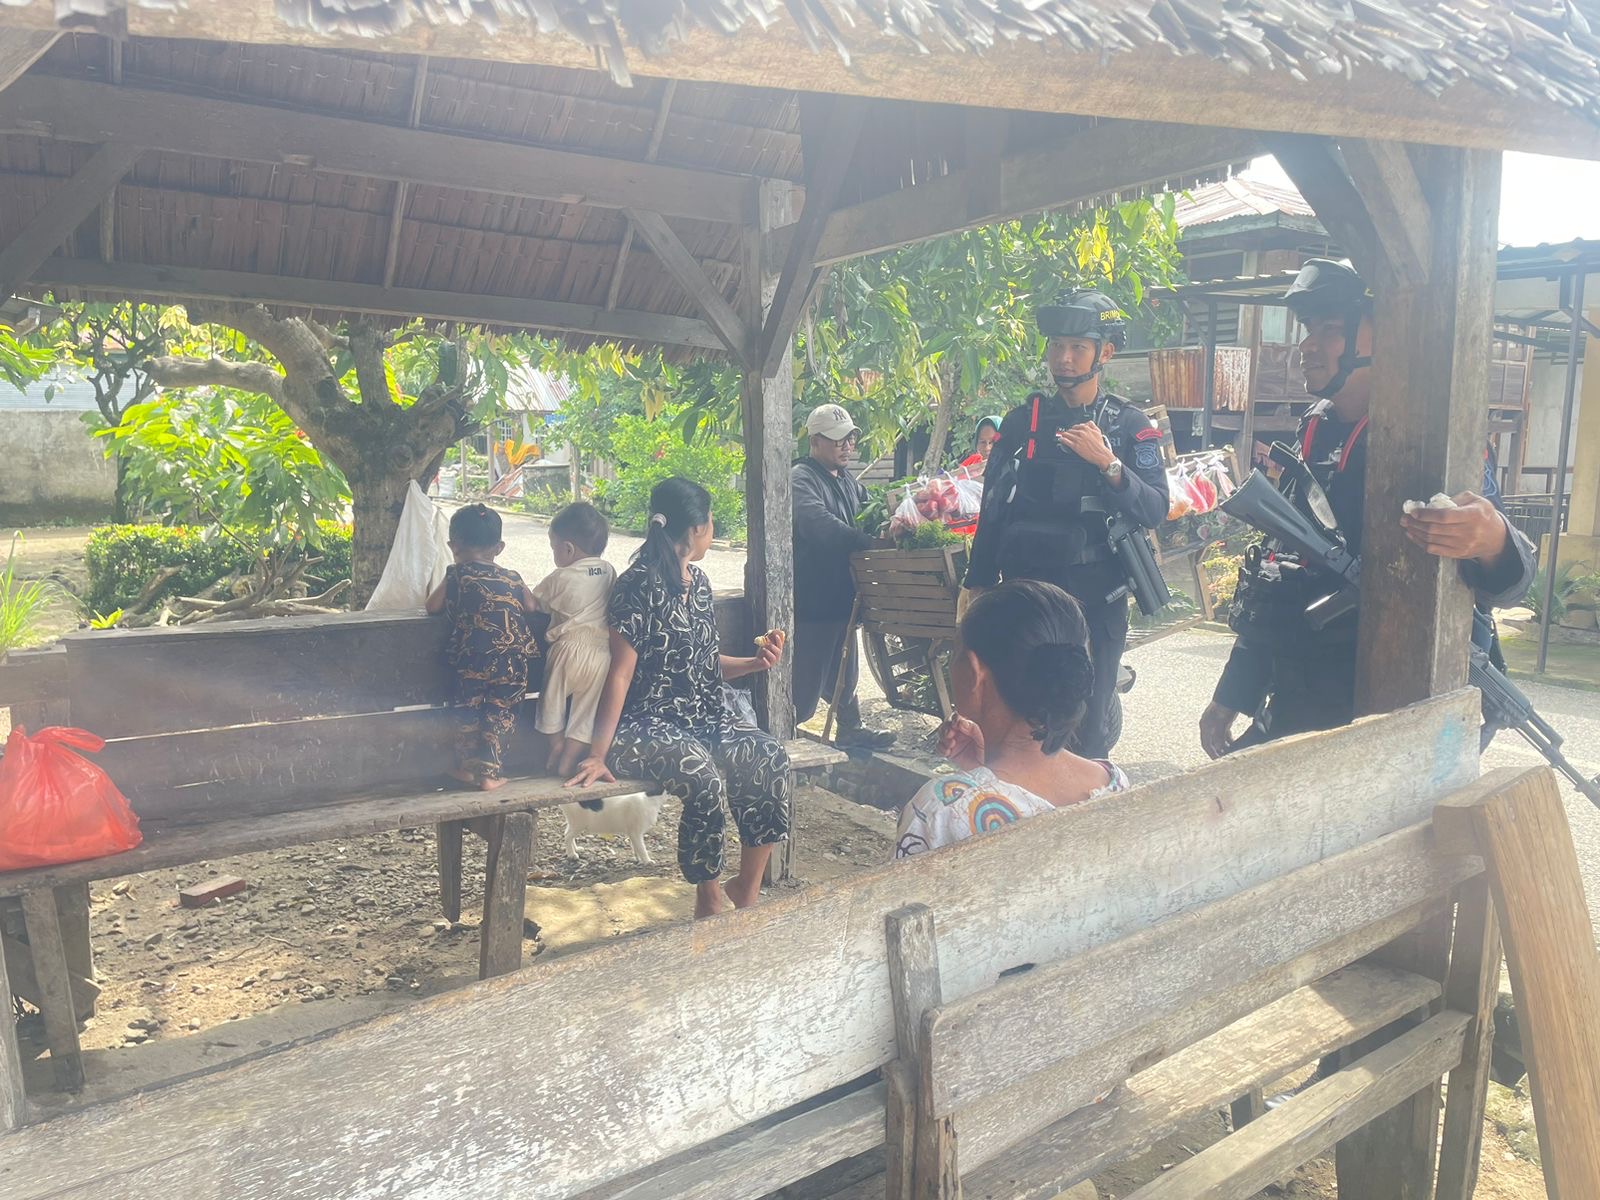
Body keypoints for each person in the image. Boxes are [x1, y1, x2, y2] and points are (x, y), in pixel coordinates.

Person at [1199, 258, 1537, 756]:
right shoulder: (1315, 429)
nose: (1308, 344)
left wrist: (1494, 541)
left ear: (1388, 334)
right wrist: (1234, 691)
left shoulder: (1439, 437)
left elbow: (1507, 582)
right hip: (1306, 690)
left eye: (1331, 329)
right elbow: (1281, 568)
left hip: (1405, 706)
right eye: (1309, 328)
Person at [566, 477, 790, 917]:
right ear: (698, 528)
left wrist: (753, 663)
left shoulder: (699, 583)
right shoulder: (636, 585)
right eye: (711, 523)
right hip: (647, 726)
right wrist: (598, 753)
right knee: (703, 780)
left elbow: (703, 661)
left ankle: (746, 887)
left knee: (768, 756)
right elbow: (620, 673)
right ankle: (708, 896)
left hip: (703, 717)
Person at [962, 289, 1169, 758]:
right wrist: (978, 584)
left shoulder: (1129, 426)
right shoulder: (1022, 423)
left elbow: (1156, 508)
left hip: (1097, 599)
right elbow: (993, 508)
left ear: (1105, 353)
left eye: (1077, 347)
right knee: (1019, 720)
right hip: (1029, 599)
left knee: (1089, 729)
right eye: (1057, 346)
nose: (1064, 358)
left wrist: (1108, 464)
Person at [896, 580, 1130, 858]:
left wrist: (979, 783)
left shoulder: (940, 811)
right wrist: (982, 771)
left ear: (974, 672)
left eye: (954, 653)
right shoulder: (1113, 782)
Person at [791, 402, 896, 750]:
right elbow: (819, 525)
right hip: (814, 599)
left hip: (843, 597)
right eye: (838, 440)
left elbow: (870, 513)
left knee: (846, 670)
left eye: (850, 439)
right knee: (807, 682)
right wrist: (866, 541)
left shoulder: (848, 481)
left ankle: (850, 729)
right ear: (815, 441)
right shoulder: (801, 478)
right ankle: (779, 733)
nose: (847, 446)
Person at [425, 503, 539, 791]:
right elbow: (531, 605)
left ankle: (466, 769)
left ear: (453, 545)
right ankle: (490, 774)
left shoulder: (456, 573)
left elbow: (432, 606)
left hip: (472, 657)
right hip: (513, 661)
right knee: (501, 713)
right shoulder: (513, 577)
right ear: (499, 548)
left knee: (468, 710)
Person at [528, 502, 616, 777]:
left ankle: (555, 746)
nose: (553, 552)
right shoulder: (609, 571)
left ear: (567, 549)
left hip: (567, 650)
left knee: (551, 703)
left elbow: (534, 603)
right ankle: (568, 758)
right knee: (586, 713)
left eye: (553, 547)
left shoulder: (560, 577)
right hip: (601, 654)